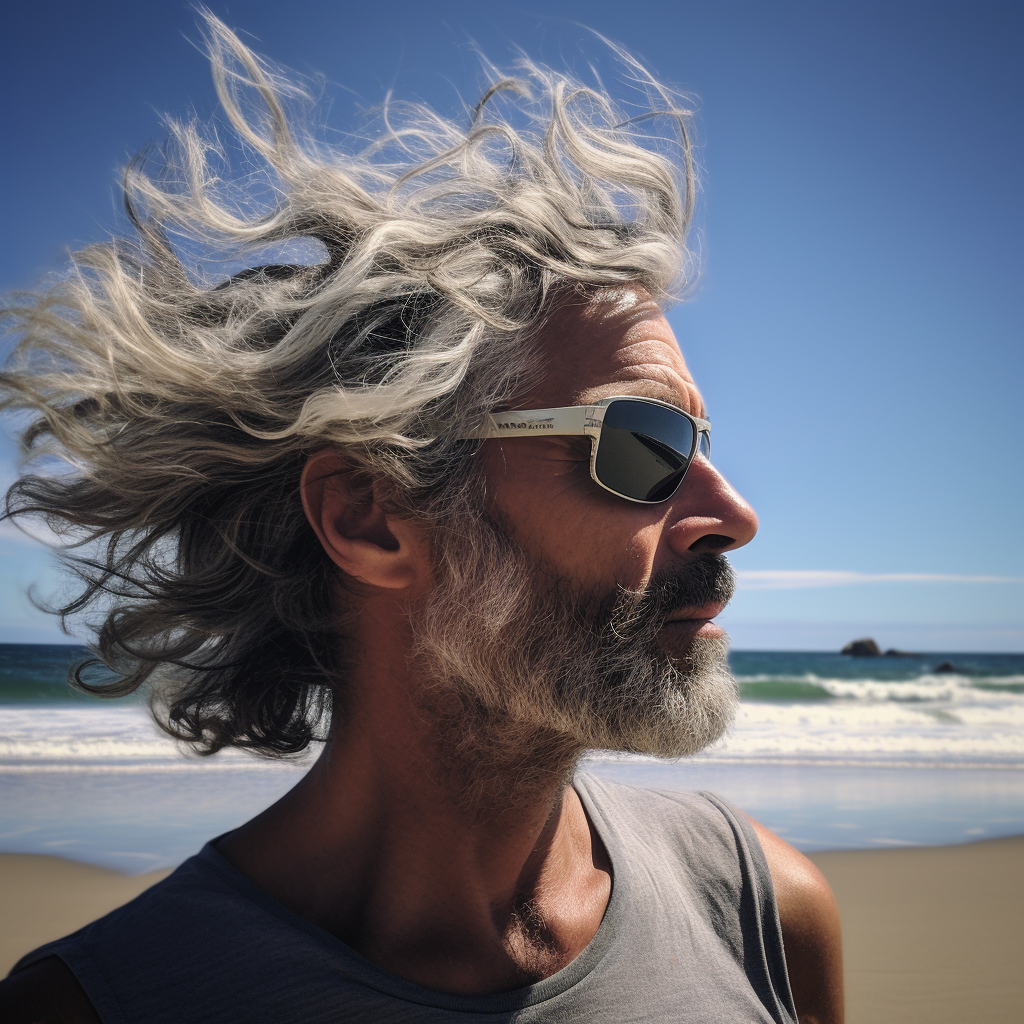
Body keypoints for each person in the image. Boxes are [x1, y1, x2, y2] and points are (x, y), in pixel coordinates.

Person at [0, 14, 842, 1023]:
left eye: (701, 445)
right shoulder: (103, 1005)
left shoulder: (765, 914)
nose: (732, 514)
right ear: (372, 517)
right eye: (643, 444)